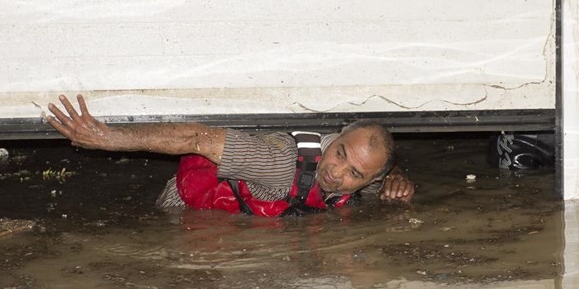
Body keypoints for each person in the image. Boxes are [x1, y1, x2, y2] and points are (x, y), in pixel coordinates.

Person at [47, 94, 415, 216]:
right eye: (340, 154)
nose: (338, 174)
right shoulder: (277, 162)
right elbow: (196, 137)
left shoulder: (364, 184)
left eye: (355, 174)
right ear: (333, 138)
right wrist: (106, 137)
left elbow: (378, 183)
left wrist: (396, 187)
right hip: (184, 207)